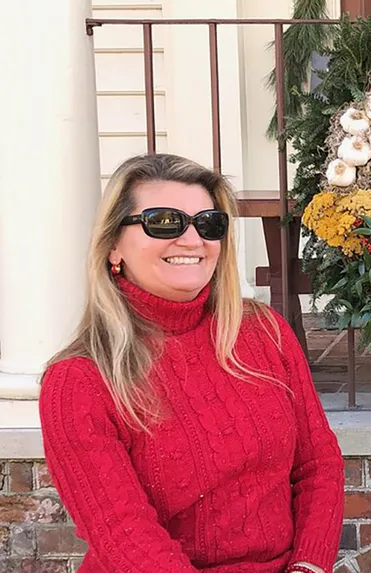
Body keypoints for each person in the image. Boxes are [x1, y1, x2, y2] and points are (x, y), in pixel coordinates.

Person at [39, 153, 345, 573]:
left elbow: (318, 464)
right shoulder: (79, 380)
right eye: (163, 222)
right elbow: (123, 534)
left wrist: (308, 567)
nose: (191, 240)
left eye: (208, 224)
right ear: (113, 245)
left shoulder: (264, 332)